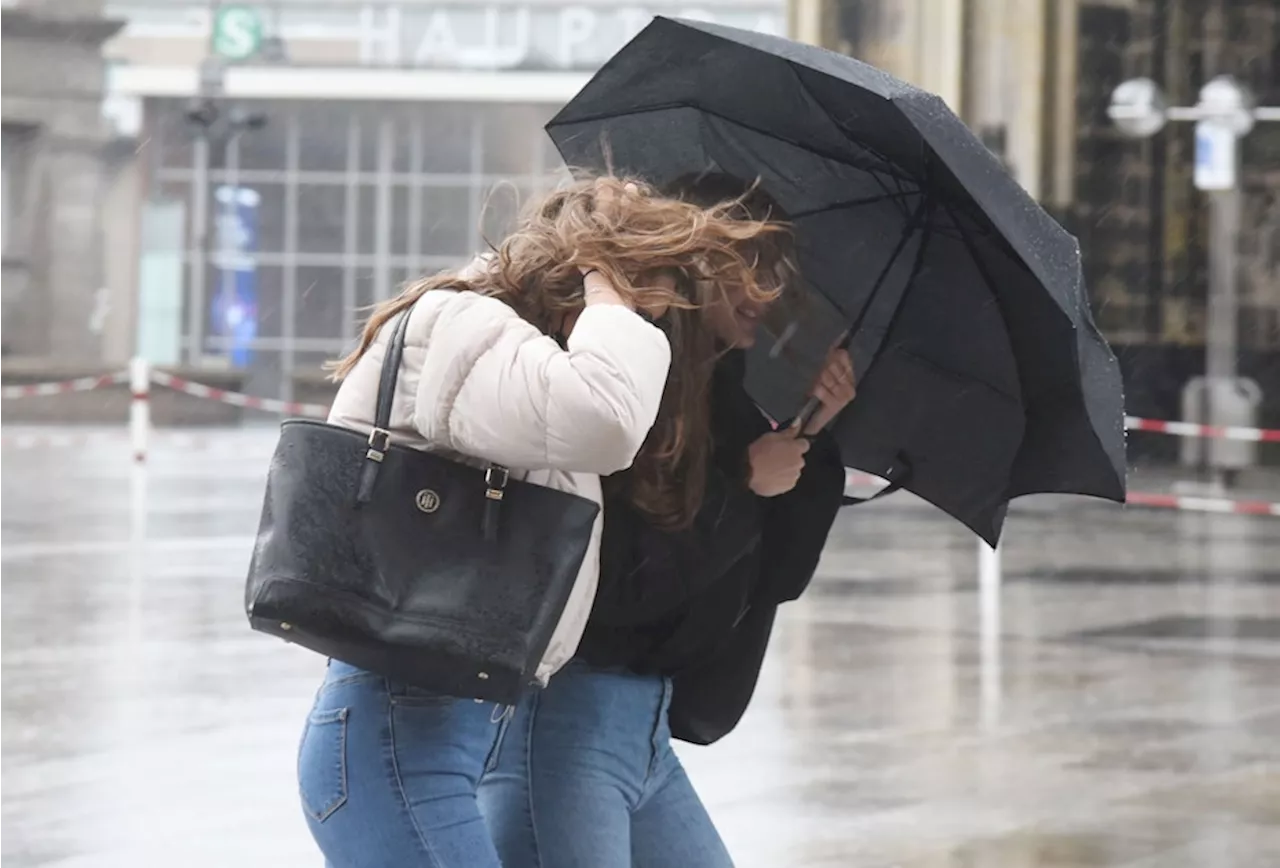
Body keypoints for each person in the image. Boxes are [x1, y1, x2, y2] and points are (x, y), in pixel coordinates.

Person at [296, 176, 789, 868]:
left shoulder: (516, 357)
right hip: (393, 751)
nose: (645, 323)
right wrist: (608, 283)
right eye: (640, 299)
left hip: (435, 746)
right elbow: (606, 419)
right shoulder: (468, 328)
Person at [478, 177, 855, 868]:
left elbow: (774, 574)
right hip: (565, 722)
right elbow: (615, 585)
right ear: (694, 258)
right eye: (747, 265)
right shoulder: (623, 378)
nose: (765, 293)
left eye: (779, 273)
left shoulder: (723, 393)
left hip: (640, 729)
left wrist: (813, 432)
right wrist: (742, 484)